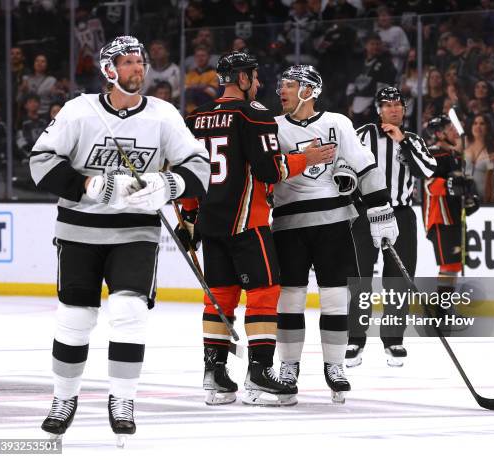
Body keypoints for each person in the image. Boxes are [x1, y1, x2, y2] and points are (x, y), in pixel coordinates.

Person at [29, 35, 211, 444]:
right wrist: (88, 185)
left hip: (136, 232)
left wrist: (169, 184)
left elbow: (200, 167)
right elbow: (40, 163)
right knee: (75, 318)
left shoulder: (163, 115)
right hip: (79, 231)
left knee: (130, 312)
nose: (138, 69)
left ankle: (123, 399)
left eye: (141, 62)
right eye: (128, 62)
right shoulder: (79, 111)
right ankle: (63, 399)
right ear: (109, 70)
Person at [177, 52, 335, 407]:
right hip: (247, 222)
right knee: (265, 291)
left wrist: (188, 218)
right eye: (256, 77)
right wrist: (305, 159)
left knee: (219, 294)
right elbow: (270, 170)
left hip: (210, 223)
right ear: (243, 79)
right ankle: (260, 373)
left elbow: (188, 179)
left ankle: (214, 375)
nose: (260, 84)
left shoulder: (196, 118)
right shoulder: (254, 114)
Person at [273, 65, 397, 403]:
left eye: (289, 84)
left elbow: (365, 165)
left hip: (333, 223)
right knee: (290, 299)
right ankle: (288, 366)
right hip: (287, 225)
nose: (281, 90)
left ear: (309, 90)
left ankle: (335, 365)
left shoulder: (338, 123)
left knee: (334, 299)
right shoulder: (274, 127)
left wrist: (380, 210)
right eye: (281, 84)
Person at [346, 86, 436, 368]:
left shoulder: (413, 139)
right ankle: (355, 339)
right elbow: (346, 166)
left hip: (401, 215)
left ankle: (393, 339)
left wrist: (403, 143)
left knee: (398, 280)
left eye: (398, 105)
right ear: (378, 109)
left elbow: (428, 172)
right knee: (359, 280)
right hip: (364, 215)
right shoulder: (362, 135)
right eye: (387, 105)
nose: (393, 109)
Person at [422, 115, 480, 322]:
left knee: (453, 265)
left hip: (454, 216)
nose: (456, 130)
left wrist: (469, 198)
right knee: (448, 265)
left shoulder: (455, 155)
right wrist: (450, 186)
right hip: (441, 217)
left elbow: (458, 187)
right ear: (439, 133)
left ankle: (444, 307)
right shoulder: (434, 153)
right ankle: (441, 310)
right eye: (450, 128)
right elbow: (429, 185)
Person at [463, 113, 494, 202]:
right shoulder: (464, 145)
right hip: (465, 198)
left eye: (482, 124)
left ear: (488, 127)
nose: (478, 126)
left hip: (486, 200)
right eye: (475, 123)